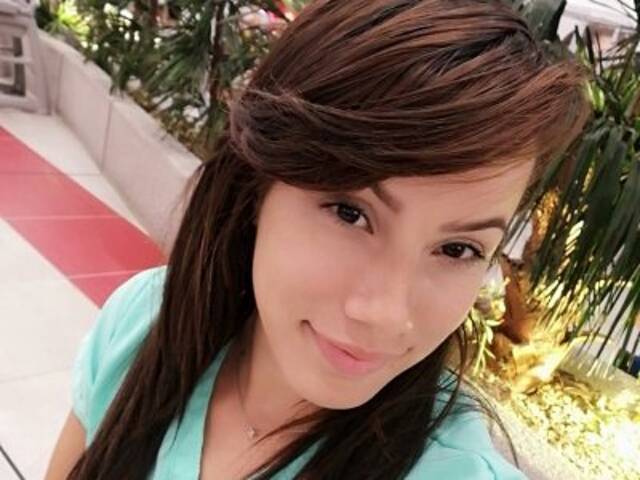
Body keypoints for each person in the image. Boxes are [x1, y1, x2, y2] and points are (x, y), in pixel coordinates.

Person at [45, 0, 592, 478]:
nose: (384, 314)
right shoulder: (144, 323)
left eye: (457, 250)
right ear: (257, 184)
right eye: (350, 214)